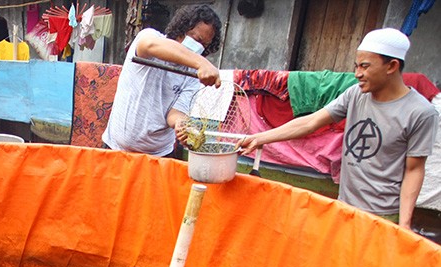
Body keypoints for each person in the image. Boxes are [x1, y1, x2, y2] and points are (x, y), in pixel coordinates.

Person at [238, 28, 438, 229]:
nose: (357, 74)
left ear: (392, 66)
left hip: (383, 218)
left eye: (365, 67)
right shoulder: (356, 94)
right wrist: (259, 138)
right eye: (356, 66)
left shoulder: (420, 112)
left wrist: (403, 225)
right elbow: (311, 122)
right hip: (345, 209)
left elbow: (414, 169)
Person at [102, 5, 223, 157]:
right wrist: (201, 62)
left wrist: (180, 124)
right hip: (116, 149)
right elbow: (149, 45)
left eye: (204, 45)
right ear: (181, 28)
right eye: (196, 39)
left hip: (159, 155)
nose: (199, 47)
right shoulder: (151, 38)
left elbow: (175, 113)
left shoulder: (193, 74)